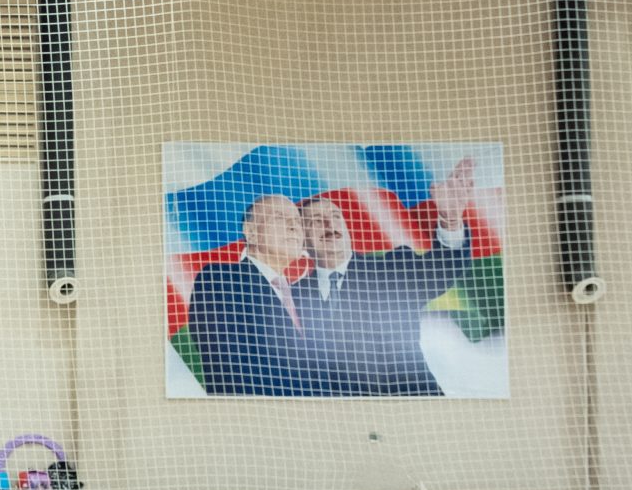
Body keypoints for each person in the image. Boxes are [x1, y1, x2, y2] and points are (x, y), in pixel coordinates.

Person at [297, 157, 477, 396]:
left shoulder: (391, 268)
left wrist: (451, 220)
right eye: (315, 221)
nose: (329, 223)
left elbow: (441, 268)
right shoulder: (292, 296)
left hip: (412, 402)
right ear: (301, 241)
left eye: (335, 215)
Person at [187, 192, 322, 396]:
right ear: (251, 233)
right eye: (280, 217)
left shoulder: (305, 295)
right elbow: (229, 363)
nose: (294, 226)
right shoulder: (220, 279)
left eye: (297, 221)